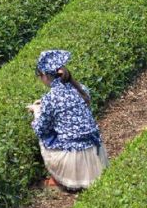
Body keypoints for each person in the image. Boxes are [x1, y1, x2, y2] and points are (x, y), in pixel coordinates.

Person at [27, 49, 109, 191]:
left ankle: (61, 177)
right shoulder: (81, 88)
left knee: (44, 134)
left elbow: (40, 128)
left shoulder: (50, 98)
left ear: (45, 76)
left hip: (72, 158)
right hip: (95, 149)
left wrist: (36, 111)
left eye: (39, 75)